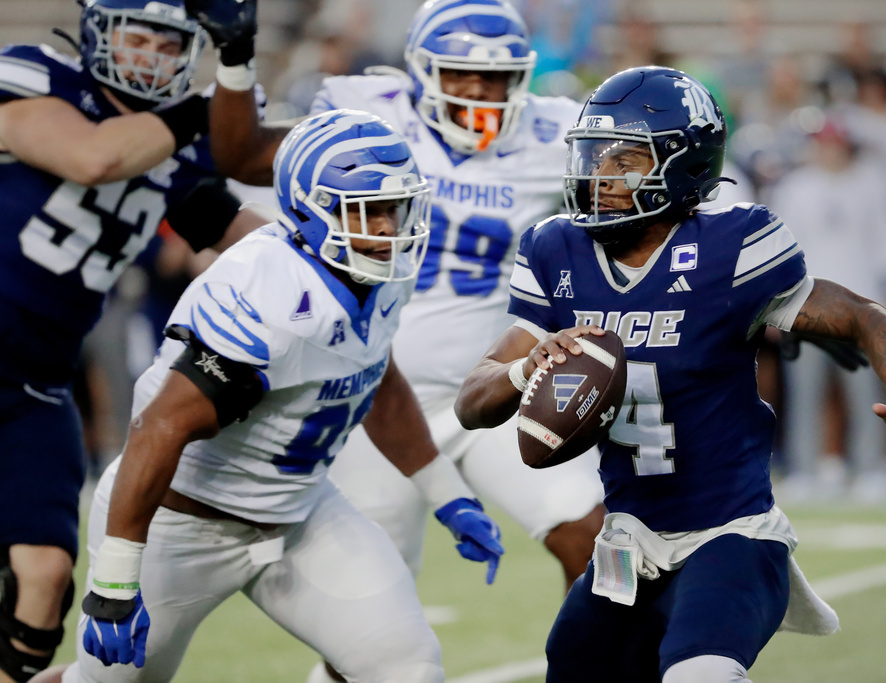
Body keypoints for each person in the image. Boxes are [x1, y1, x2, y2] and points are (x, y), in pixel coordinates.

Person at [454, 66, 886, 683]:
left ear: (684, 164)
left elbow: (861, 315)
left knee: (701, 675)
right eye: (595, 155)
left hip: (731, 535)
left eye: (626, 159)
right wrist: (524, 368)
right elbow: (472, 402)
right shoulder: (556, 249)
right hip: (627, 541)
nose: (601, 174)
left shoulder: (733, 244)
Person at [31, 109, 504, 683]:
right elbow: (159, 428)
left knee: (406, 667)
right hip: (182, 523)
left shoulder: (376, 272)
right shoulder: (269, 294)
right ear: (310, 211)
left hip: (299, 513)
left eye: (394, 208)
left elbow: (375, 374)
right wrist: (114, 579)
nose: (385, 229)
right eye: (365, 210)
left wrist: (447, 493)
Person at [189, 0, 604, 641]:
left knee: (592, 538)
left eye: (495, 77)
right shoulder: (366, 118)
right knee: (371, 632)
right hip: (371, 401)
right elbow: (242, 158)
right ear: (419, 69)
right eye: (461, 72)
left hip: (494, 391)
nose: (479, 91)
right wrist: (237, 64)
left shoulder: (555, 135)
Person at [0, 2, 265, 680]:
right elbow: (93, 157)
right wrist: (204, 110)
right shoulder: (36, 77)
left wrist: (334, 250)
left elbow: (251, 238)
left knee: (43, 578)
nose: (150, 55)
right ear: (97, 33)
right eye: (137, 36)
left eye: (168, 43)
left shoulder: (175, 151)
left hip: (36, 382)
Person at [770, 118, 886, 501]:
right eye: (823, 143)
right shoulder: (796, 187)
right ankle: (805, 469)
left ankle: (871, 468)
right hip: (805, 305)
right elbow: (779, 249)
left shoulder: (871, 184)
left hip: (859, 305)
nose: (829, 150)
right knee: (804, 394)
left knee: (865, 394)